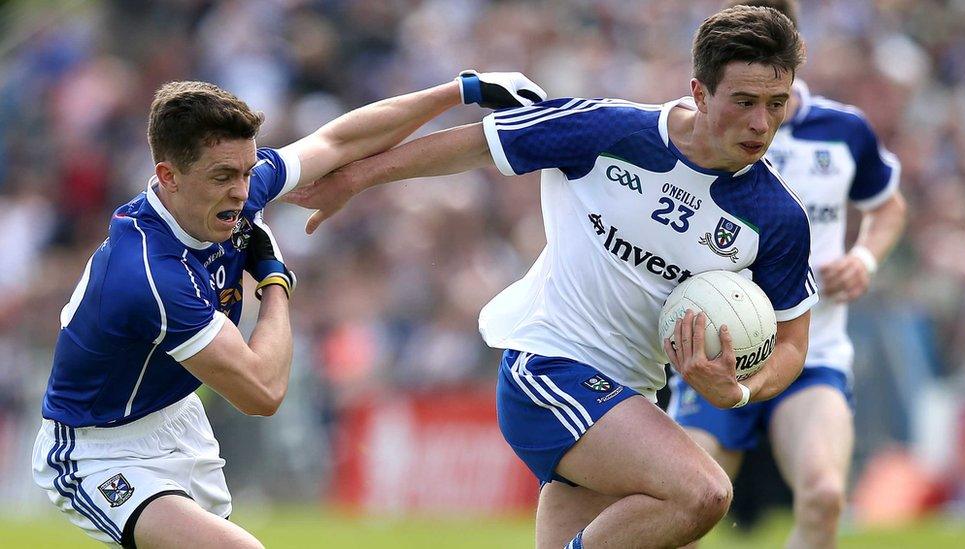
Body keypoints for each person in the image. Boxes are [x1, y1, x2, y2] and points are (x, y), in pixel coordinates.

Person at [288, 6, 816, 548]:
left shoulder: (777, 218)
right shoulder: (607, 130)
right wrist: (354, 178)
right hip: (549, 370)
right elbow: (475, 145)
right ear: (700, 93)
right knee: (703, 493)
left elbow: (794, 342)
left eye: (776, 104)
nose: (760, 123)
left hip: (630, 399)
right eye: (744, 102)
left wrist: (740, 390)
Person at [31, 72, 545, 549]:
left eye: (248, 172)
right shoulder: (148, 275)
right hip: (98, 451)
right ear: (168, 176)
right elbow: (262, 391)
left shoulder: (222, 197)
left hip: (174, 417)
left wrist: (460, 90)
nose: (241, 191)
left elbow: (338, 142)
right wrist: (274, 279)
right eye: (223, 176)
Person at [667, 2, 907, 548]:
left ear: (791, 47)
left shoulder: (843, 130)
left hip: (813, 350)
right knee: (684, 507)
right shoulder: (698, 125)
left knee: (824, 497)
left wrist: (863, 258)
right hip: (716, 350)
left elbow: (887, 205)